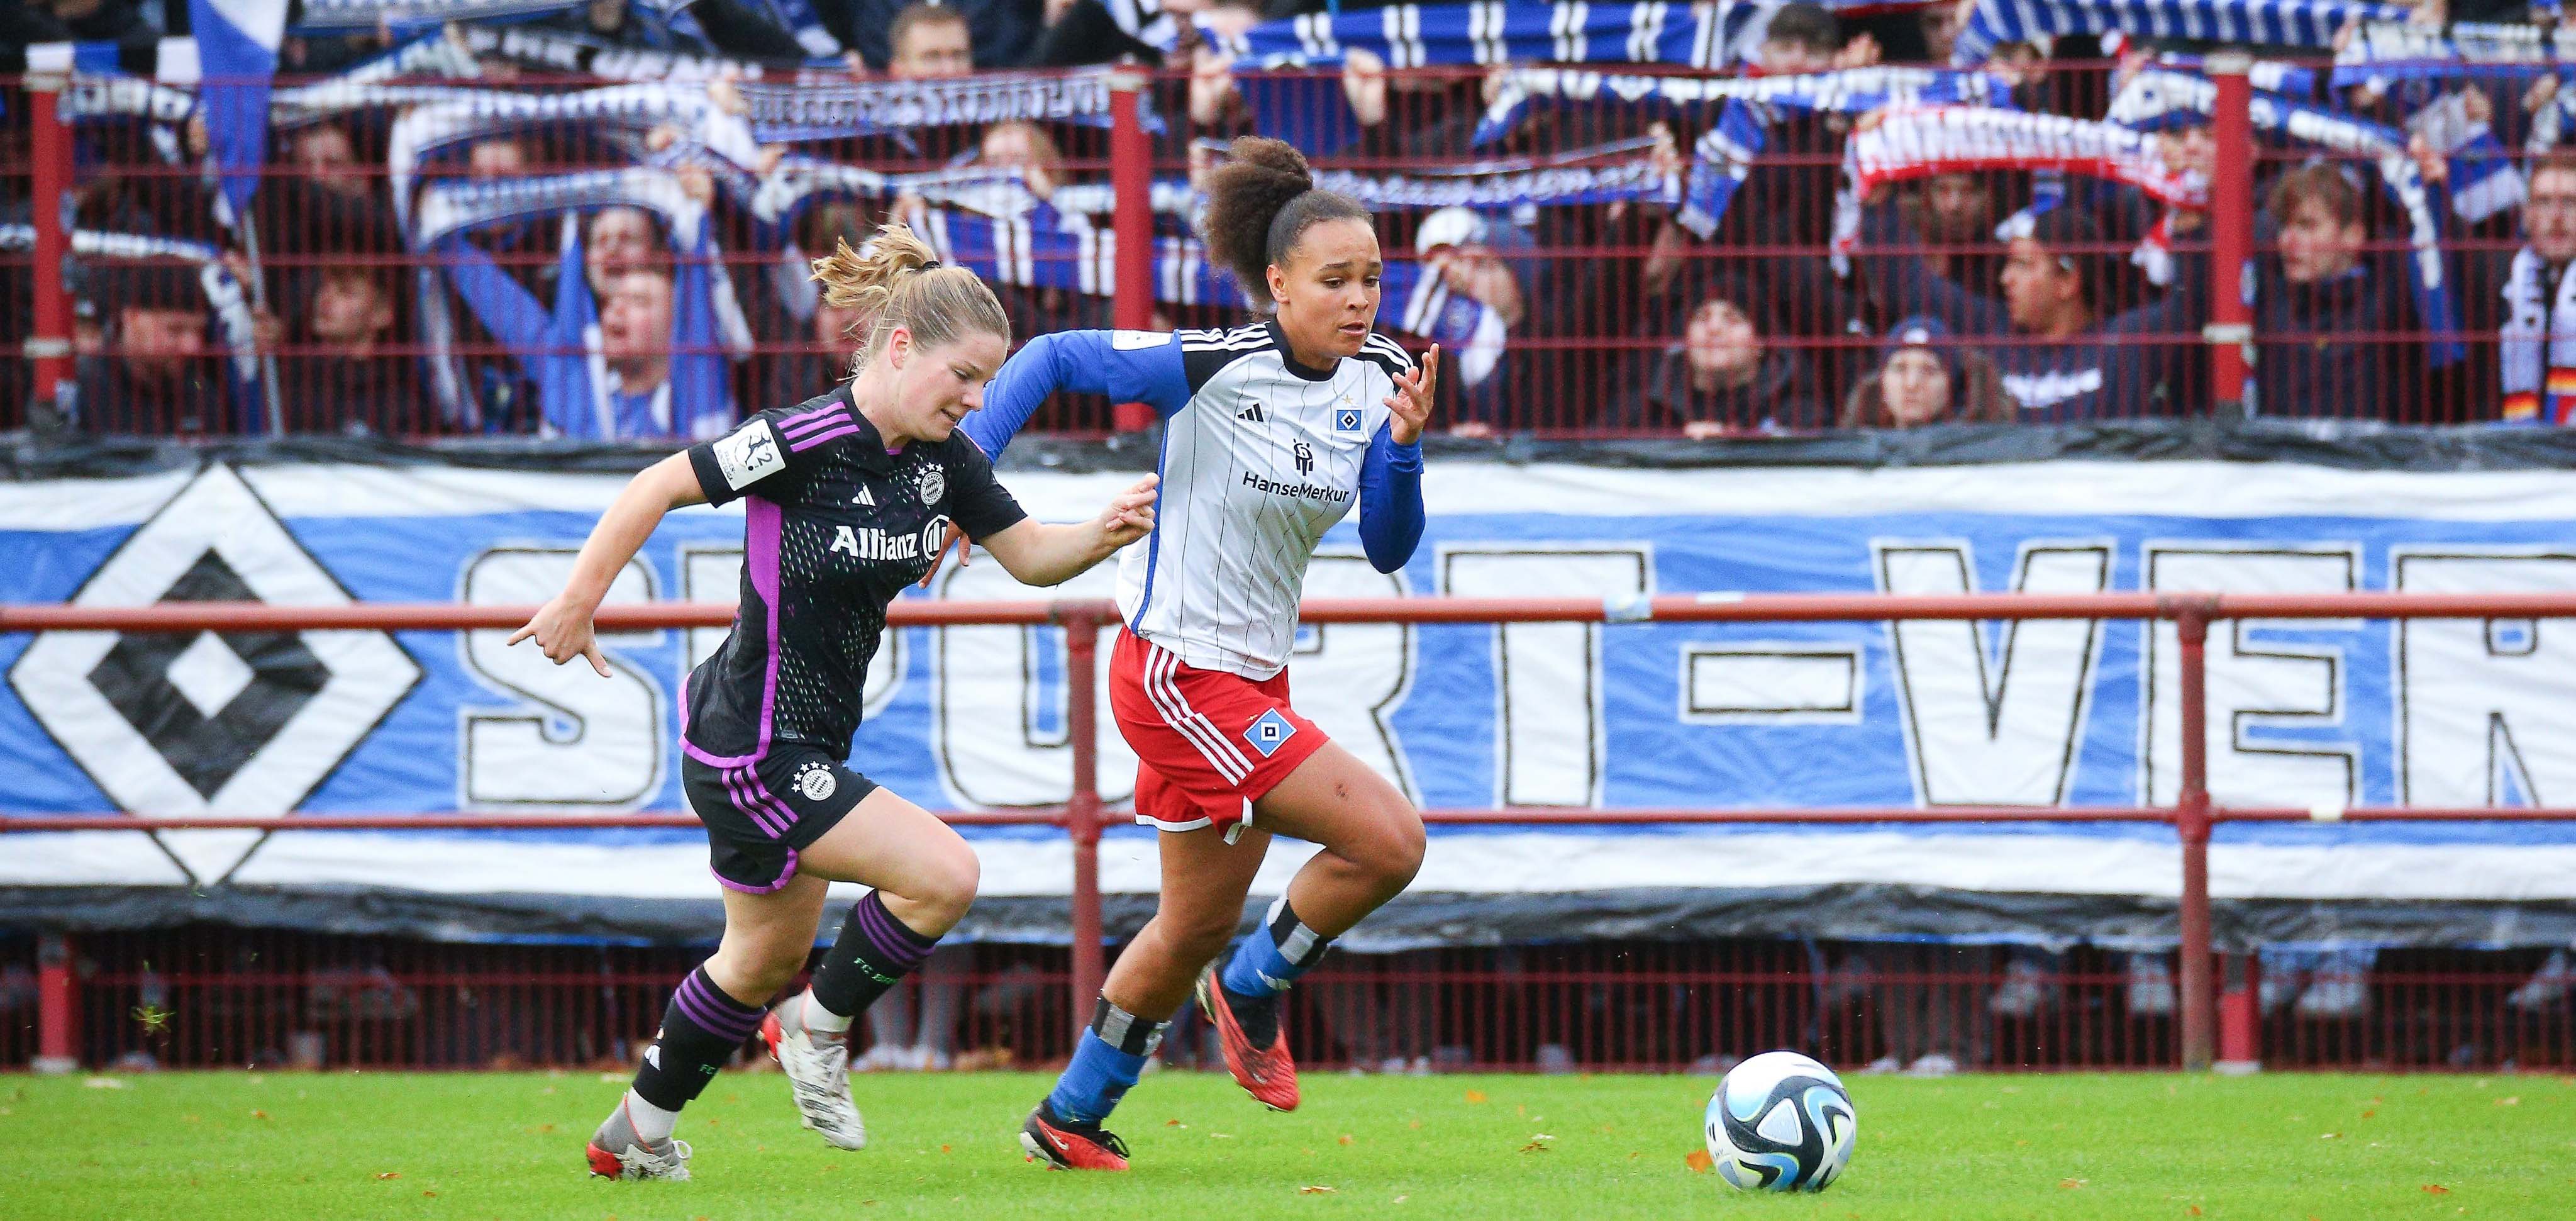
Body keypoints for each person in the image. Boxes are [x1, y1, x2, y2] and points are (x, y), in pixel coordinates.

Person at [509, 224, 1158, 1181]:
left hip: (800, 745)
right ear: (901, 348)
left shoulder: (942, 463)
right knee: (944, 875)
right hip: (753, 747)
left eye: (990, 382)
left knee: (757, 960)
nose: (978, 401)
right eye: (965, 376)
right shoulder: (804, 438)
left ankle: (634, 1135)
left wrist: (1105, 531)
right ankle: (817, 1028)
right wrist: (576, 599)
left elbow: (1029, 559)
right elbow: (656, 484)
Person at [960, 137, 1437, 1171]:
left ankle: (1070, 1115)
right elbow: (1046, 358)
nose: (1359, 300)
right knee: (1389, 843)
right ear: (1278, 283)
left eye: (1372, 279)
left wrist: (1401, 447)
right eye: (1335, 280)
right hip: (1177, 677)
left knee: (1188, 927)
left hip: (1247, 677)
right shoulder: (1214, 366)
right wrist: (967, 475)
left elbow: (1392, 544)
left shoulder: (1386, 375)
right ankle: (1256, 987)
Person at [2250, 163, 2422, 421]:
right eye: (2285, 225)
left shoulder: (2391, 297)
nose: (2288, 240)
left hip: (2369, 459)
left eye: (2307, 226)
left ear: (2353, 236)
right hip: (2279, 459)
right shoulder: (2266, 299)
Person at [1839, 316, 2014, 428]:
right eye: (1900, 369)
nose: (1912, 384)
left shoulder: (1983, 448)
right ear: (1882, 381)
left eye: (1929, 371)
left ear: (1950, 385)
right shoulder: (1853, 449)